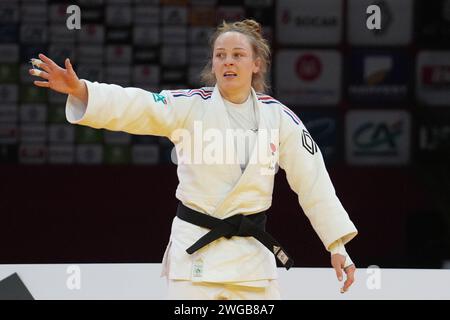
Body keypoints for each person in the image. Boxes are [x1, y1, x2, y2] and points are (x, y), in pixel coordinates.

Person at [29, 19, 358, 300]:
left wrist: (337, 246)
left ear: (257, 63)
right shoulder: (190, 107)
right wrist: (83, 90)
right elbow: (138, 106)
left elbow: (314, 181)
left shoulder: (280, 119)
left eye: (238, 55)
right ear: (212, 64)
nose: (228, 62)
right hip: (195, 257)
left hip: (252, 265)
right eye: (220, 56)